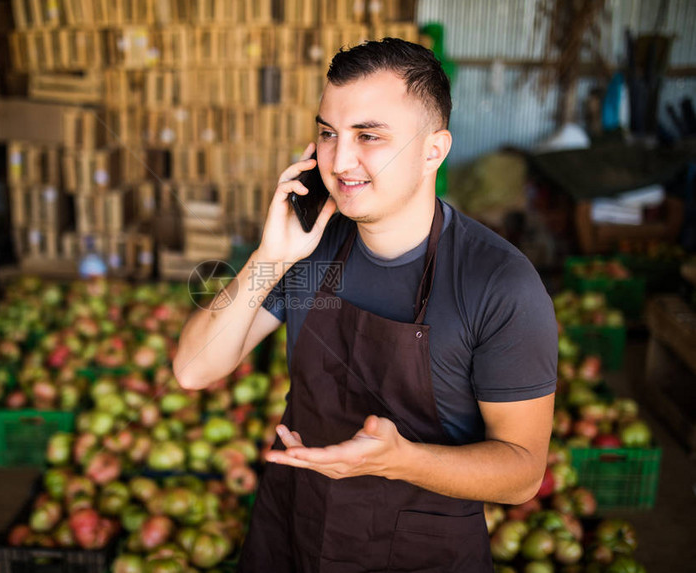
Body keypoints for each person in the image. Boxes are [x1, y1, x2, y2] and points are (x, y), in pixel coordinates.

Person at [173, 38, 557, 572]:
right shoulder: (313, 247)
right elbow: (193, 370)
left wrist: (402, 461)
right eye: (327, 134)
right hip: (295, 531)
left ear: (433, 151)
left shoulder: (500, 284)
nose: (339, 160)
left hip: (420, 552)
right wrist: (271, 255)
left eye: (369, 136)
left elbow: (521, 474)